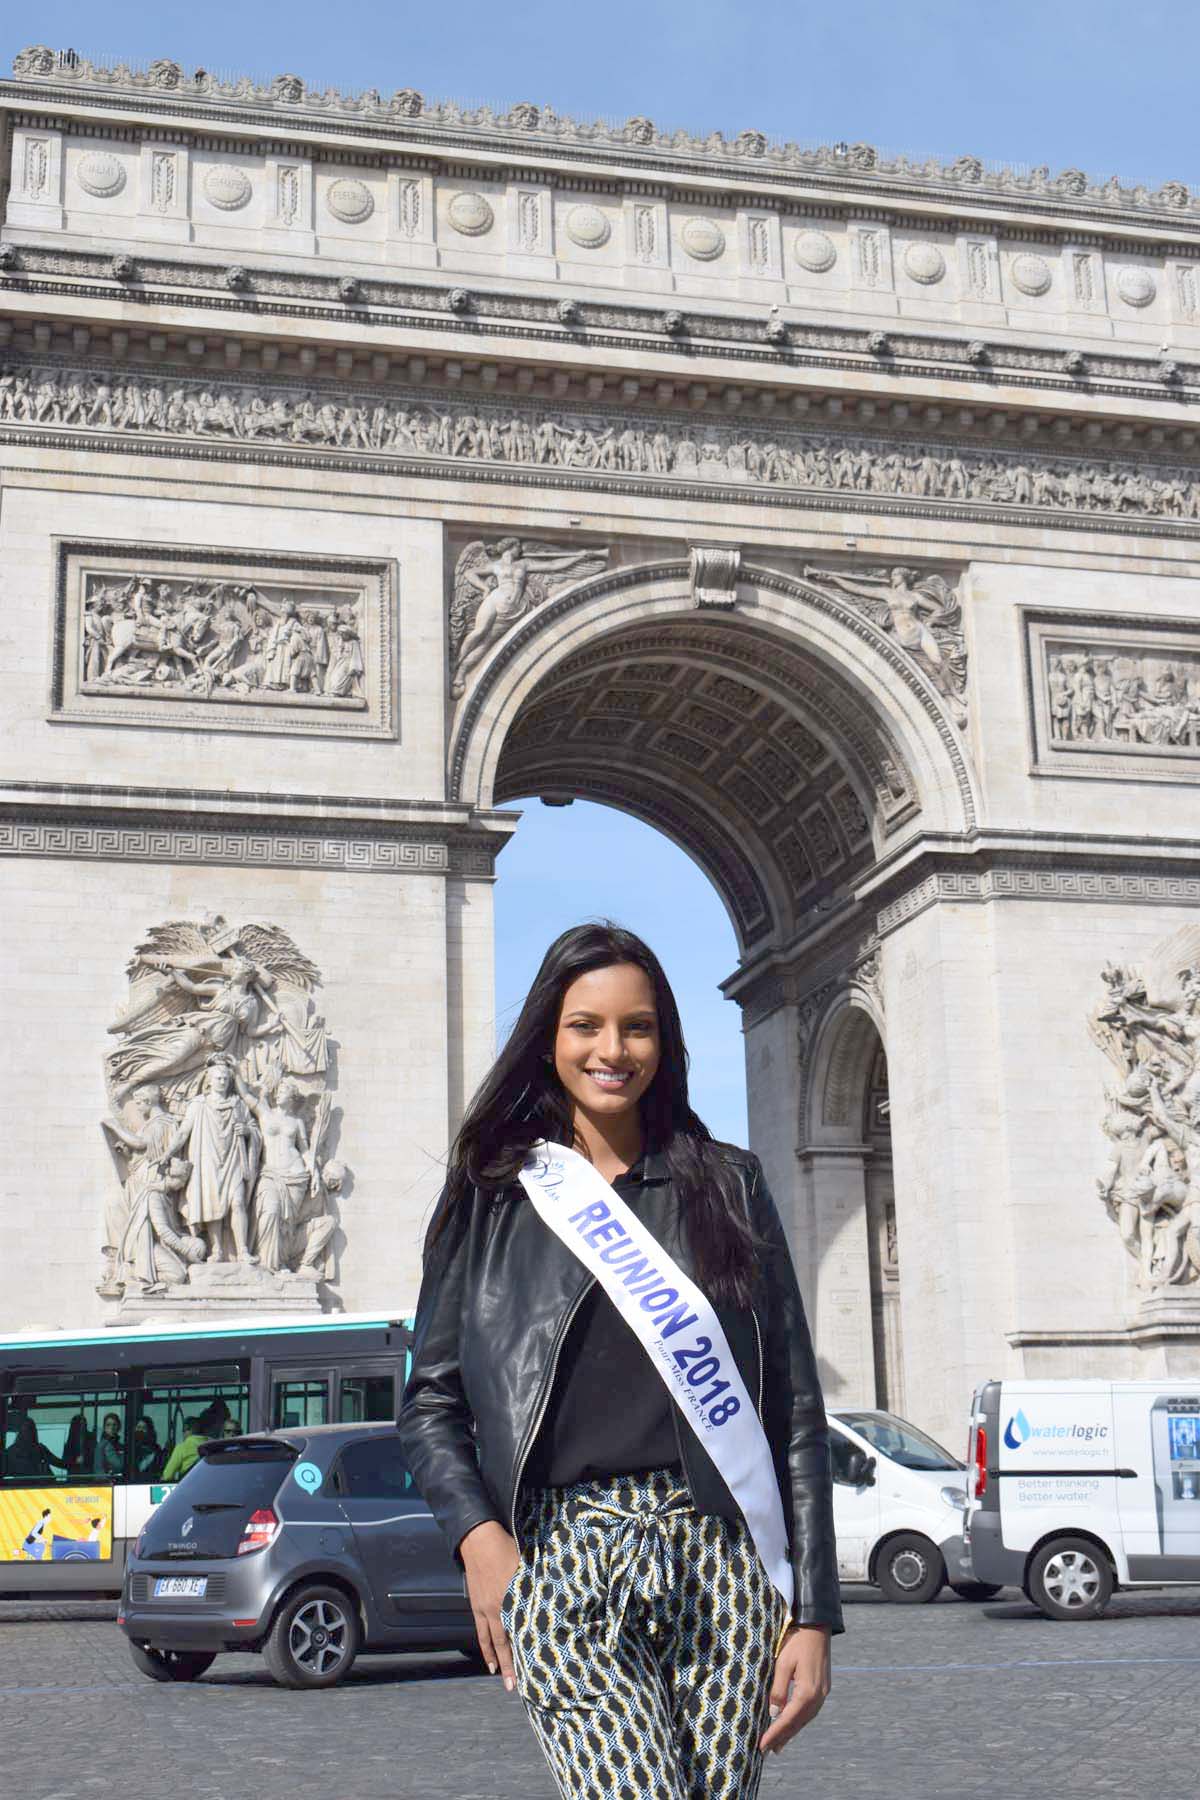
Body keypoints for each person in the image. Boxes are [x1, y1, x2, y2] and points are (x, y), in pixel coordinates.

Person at [399, 923, 840, 1800]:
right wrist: (480, 1540)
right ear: (547, 1038)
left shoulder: (730, 1183)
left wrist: (815, 1615)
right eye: (585, 1026)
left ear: (664, 1041)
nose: (612, 1050)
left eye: (636, 1027)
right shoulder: (490, 1195)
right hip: (567, 1558)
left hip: (724, 1562)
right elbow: (429, 1403)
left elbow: (791, 1407)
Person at [161, 1416, 208, 1484]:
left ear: (189, 1430)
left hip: (189, 1487)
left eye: (183, 1431)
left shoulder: (182, 1447)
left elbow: (167, 1476)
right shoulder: (212, 1445)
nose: (183, 1434)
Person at [94, 1412, 125, 1477]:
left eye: (114, 1424)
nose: (111, 1428)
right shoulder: (102, 1445)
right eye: (108, 1425)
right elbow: (99, 1470)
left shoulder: (121, 1445)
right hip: (107, 1482)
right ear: (104, 1427)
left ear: (118, 1427)